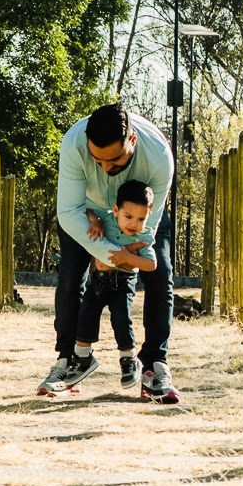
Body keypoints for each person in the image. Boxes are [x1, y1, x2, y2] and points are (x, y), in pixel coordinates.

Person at [38, 102, 179, 404]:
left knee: (162, 274)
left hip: (138, 218)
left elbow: (144, 234)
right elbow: (68, 211)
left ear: (132, 141)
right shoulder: (74, 143)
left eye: (114, 162)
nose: (104, 168)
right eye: (97, 160)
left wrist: (119, 257)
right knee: (69, 277)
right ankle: (70, 359)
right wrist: (104, 247)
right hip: (85, 215)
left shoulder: (158, 158)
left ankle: (154, 364)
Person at [51, 180, 156, 393]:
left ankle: (128, 361)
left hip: (123, 283)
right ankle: (83, 359)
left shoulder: (143, 237)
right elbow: (89, 210)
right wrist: (95, 221)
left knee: (121, 320)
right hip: (97, 280)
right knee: (85, 317)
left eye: (141, 219)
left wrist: (127, 256)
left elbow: (151, 264)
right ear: (116, 210)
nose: (134, 223)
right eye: (128, 216)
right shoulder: (107, 220)